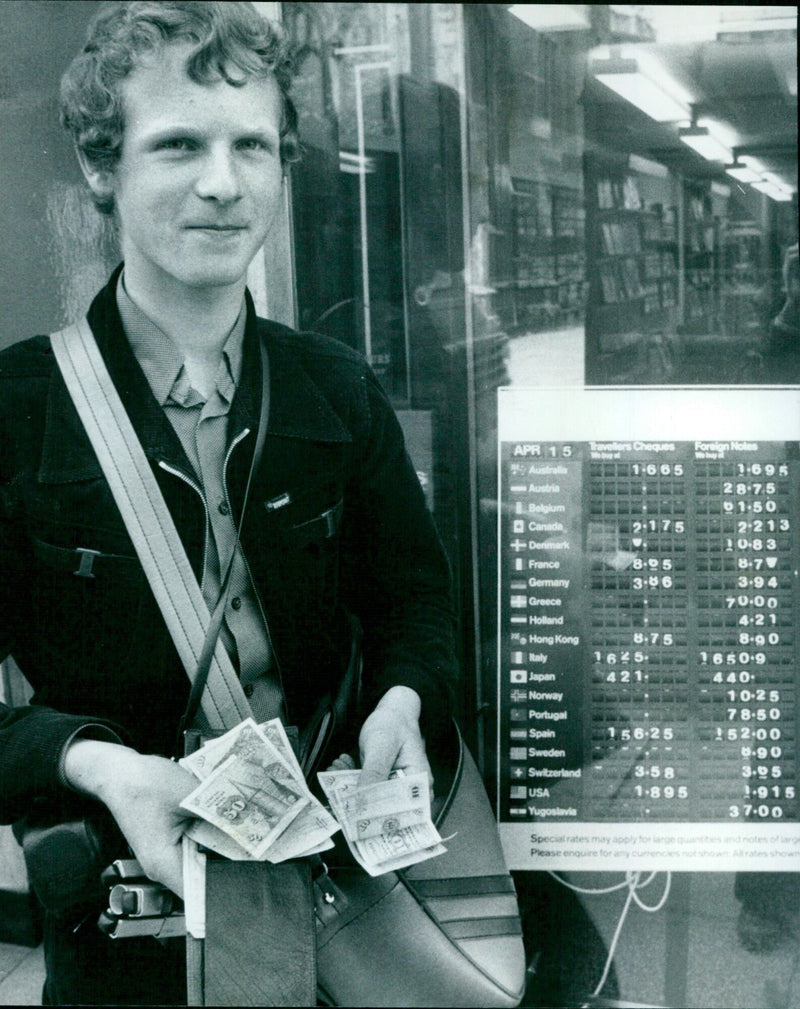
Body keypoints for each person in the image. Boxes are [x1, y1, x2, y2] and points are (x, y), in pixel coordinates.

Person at [0, 2, 457, 1003]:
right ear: (100, 168)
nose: (221, 181)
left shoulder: (334, 389)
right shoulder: (16, 409)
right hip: (126, 929)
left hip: (328, 904)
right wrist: (97, 767)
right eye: (177, 146)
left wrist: (401, 700)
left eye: (251, 145)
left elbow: (416, 604)